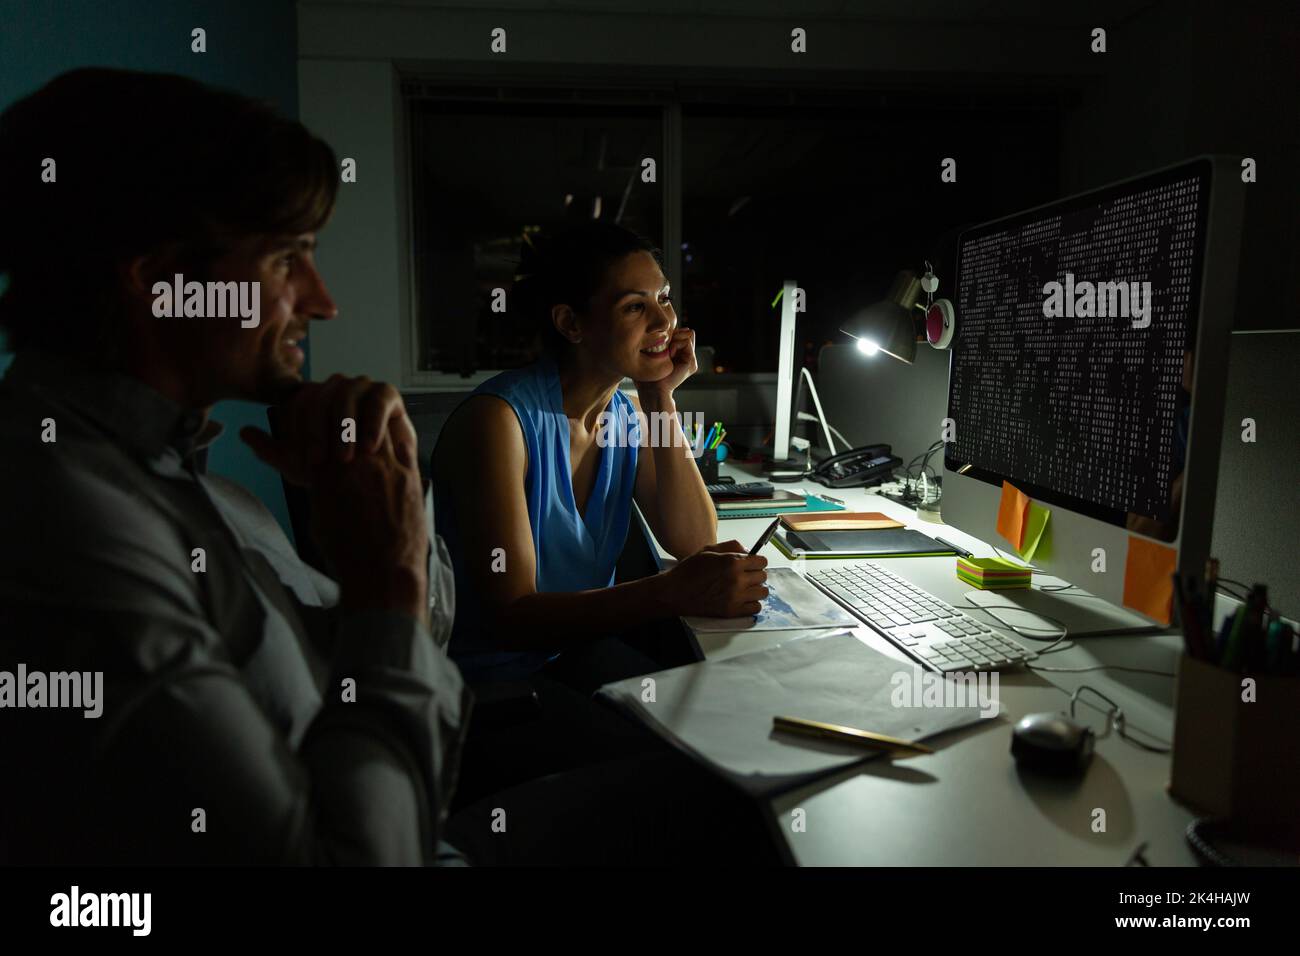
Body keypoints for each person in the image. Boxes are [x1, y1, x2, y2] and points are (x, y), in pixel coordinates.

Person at [0, 68, 468, 865]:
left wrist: (382, 519)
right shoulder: (66, 522)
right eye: (288, 259)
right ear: (157, 283)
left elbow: (418, 638)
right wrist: (387, 578)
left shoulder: (201, 486)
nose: (322, 302)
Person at [432, 221, 770, 689]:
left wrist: (659, 397)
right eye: (635, 306)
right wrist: (667, 593)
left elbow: (693, 538)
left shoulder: (625, 416)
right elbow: (511, 618)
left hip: (575, 655)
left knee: (731, 695)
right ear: (571, 323)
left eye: (664, 298)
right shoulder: (498, 422)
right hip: (493, 685)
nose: (664, 322)